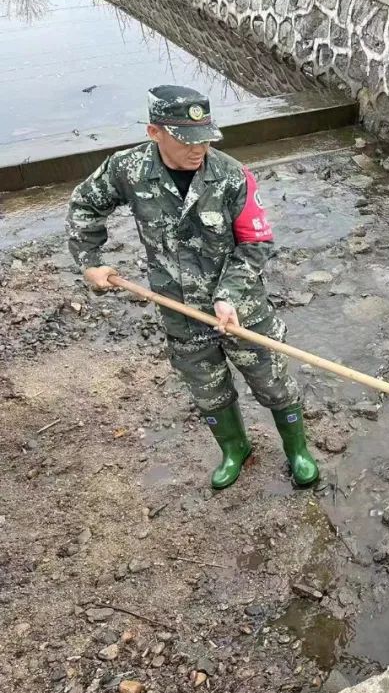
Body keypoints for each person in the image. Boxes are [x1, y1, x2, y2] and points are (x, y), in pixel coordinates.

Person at [67, 85, 319, 490]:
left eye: (205, 137)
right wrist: (91, 262)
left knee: (271, 380)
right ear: (155, 132)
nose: (199, 149)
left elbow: (256, 242)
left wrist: (228, 296)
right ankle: (235, 449)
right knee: (208, 389)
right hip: (179, 311)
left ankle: (297, 451)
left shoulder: (231, 175)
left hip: (241, 311)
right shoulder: (126, 170)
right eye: (187, 140)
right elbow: (84, 205)